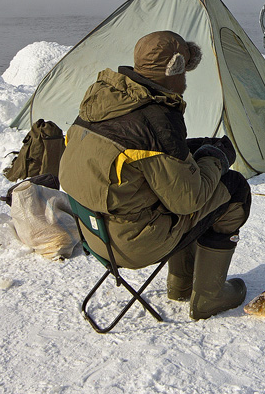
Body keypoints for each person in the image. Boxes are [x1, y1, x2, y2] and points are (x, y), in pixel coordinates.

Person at [59, 30, 252, 320]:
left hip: (94, 232)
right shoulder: (157, 119)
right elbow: (188, 200)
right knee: (234, 189)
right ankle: (208, 298)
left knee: (177, 177)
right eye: (185, 69)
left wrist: (193, 152)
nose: (187, 78)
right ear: (174, 70)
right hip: (131, 245)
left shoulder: (103, 100)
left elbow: (143, 160)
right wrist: (218, 157)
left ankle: (181, 284)